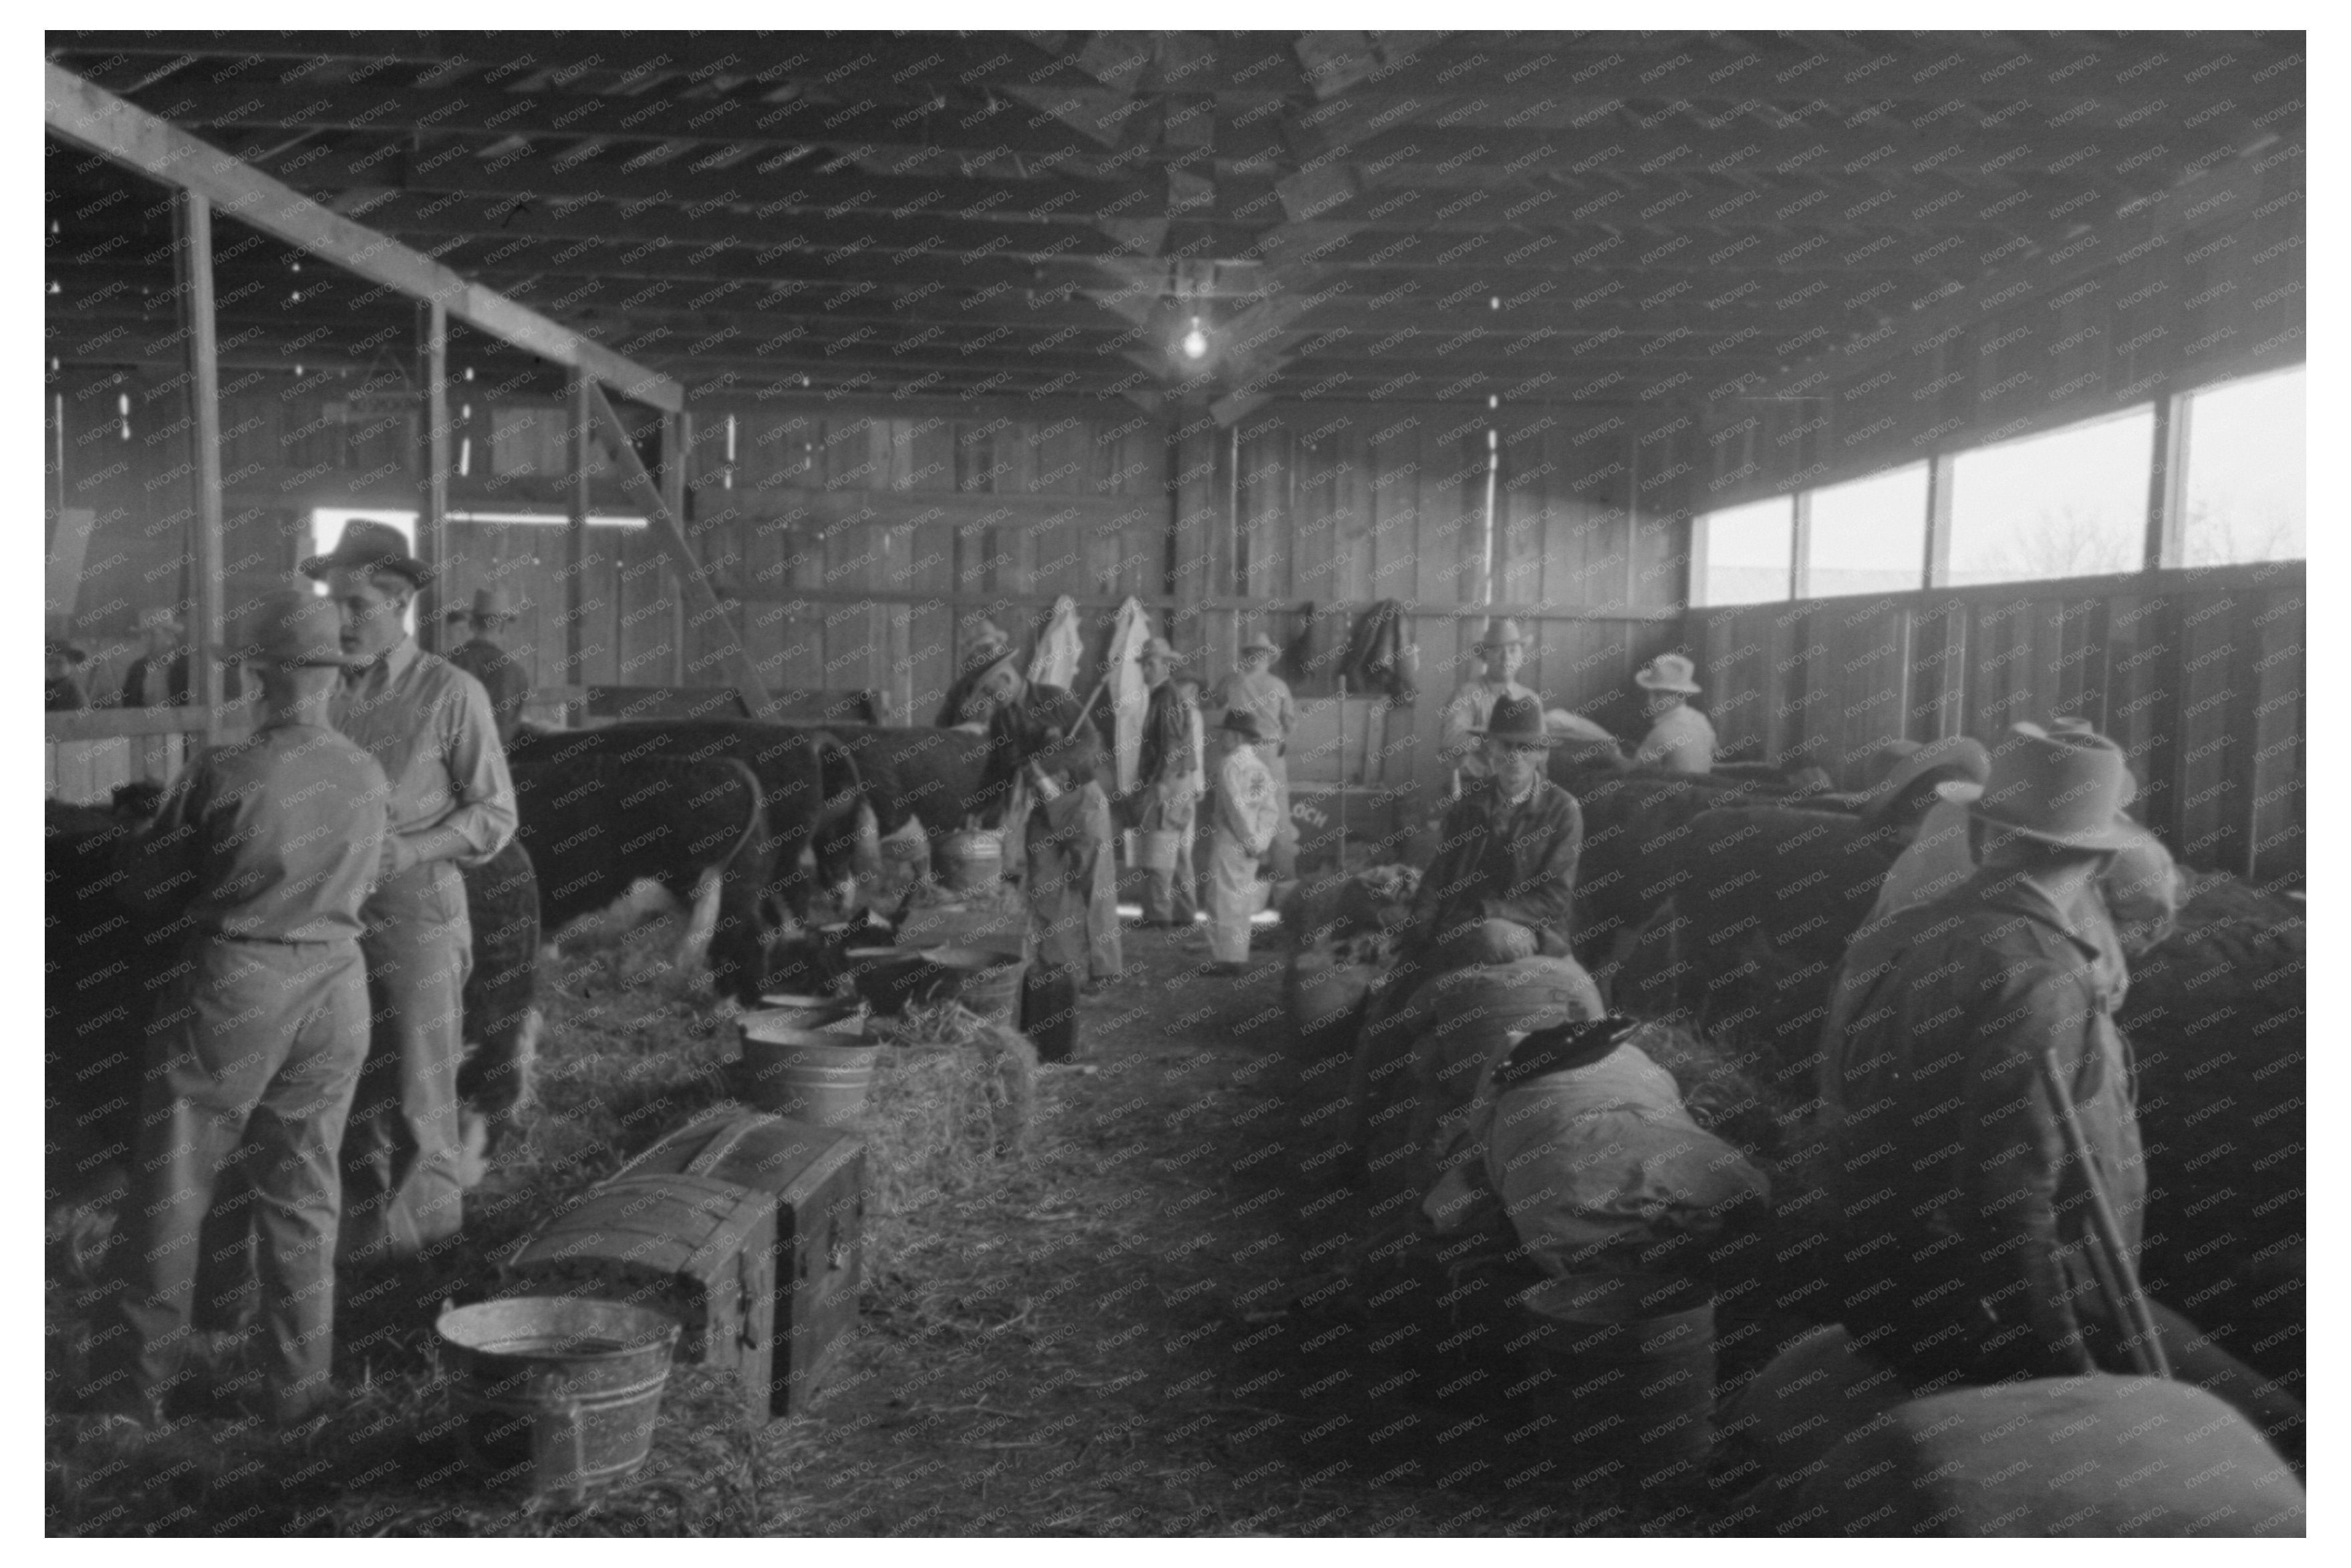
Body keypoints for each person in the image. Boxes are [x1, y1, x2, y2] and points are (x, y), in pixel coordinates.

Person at [1816, 722, 2301, 1463]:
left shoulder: (1908, 933)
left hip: (1888, 1273)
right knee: (2275, 1426)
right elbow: (2017, 1196)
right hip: (2003, 1305)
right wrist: (2065, 1360)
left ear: (1982, 828)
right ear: (2101, 854)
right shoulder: (2039, 975)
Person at [81, 590, 391, 1430]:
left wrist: (132, 844)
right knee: (302, 1190)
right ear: (333, 676)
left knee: (174, 1185)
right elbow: (379, 873)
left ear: (258, 672)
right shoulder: (365, 772)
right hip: (338, 985)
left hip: (239, 984)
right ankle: (297, 1390)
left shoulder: (226, 769)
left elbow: (149, 887)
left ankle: (134, 1398)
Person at [308, 518, 517, 1267]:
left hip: (414, 916)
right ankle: (355, 1262)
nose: (340, 621)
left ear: (398, 600)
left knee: (417, 1099)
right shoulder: (318, 689)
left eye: (357, 605)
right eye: (332, 603)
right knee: (338, 1093)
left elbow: (494, 814)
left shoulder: (449, 691)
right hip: (326, 918)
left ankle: (422, 1272)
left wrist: (411, 848)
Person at [1403, 691, 1582, 972]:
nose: (1514, 757)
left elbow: (1554, 899)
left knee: (1491, 939)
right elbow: (1439, 874)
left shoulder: (1563, 810)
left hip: (1528, 928)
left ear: (1541, 753)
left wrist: (1486, 912)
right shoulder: (1471, 802)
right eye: (1505, 746)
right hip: (1461, 919)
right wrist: (1421, 924)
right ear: (1489, 749)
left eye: (1525, 748)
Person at [978, 651, 1117, 986]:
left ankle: (1105, 969)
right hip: (1040, 809)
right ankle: (1059, 968)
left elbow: (1090, 742)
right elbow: (998, 770)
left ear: (1008, 680)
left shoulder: (1054, 698)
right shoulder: (1001, 720)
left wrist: (1044, 764)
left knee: (1096, 885)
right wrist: (979, 810)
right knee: (1046, 887)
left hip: (1081, 799)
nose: (989, 699)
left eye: (991, 691)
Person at [1208, 631, 1299, 888]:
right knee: (1275, 814)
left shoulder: (1231, 681)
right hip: (1269, 754)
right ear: (1269, 659)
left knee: (1232, 810)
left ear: (1247, 656)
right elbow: (1290, 725)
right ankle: (1284, 882)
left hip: (1237, 752)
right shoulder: (1279, 686)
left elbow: (1215, 703)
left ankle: (1233, 880)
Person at [1205, 709, 1282, 976]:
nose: (1221, 739)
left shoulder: (1229, 765)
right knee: (1241, 899)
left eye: (1225, 734)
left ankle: (1228, 960)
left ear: (1236, 736)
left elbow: (1235, 808)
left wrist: (1248, 840)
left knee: (1223, 899)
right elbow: (1270, 810)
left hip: (1231, 840)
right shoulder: (1260, 768)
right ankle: (1237, 955)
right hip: (1253, 844)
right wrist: (1259, 842)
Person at [1131, 638, 1199, 929]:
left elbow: (1171, 745)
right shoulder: (1167, 695)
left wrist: (1160, 781)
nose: (1145, 670)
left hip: (1169, 781)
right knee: (1179, 850)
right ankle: (1185, 912)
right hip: (1181, 782)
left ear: (1166, 666)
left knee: (1159, 847)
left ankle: (1158, 916)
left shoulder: (1165, 697)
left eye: (1151, 664)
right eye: (1144, 664)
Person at [1437, 617, 1538, 789]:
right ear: (1485, 656)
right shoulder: (1467, 694)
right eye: (1498, 651)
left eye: (1513, 650)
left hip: (1520, 786)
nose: (1506, 658)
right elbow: (1449, 738)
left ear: (1521, 655)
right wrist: (1490, 739)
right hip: (1477, 786)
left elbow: (1540, 749)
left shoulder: (1529, 698)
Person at [442, 587, 533, 746]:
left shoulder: (444, 663)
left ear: (471, 625)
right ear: (502, 627)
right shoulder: (514, 671)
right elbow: (505, 732)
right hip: (492, 762)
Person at [1631, 653, 1715, 774]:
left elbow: (1633, 771)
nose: (1649, 702)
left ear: (1679, 696)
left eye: (1658, 695)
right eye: (1649, 694)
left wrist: (1614, 756)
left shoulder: (1662, 732)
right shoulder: (1701, 720)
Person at [934, 617, 1012, 728]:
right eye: (984, 648)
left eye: (995, 645)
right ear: (972, 652)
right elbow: (941, 727)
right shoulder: (960, 688)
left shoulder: (1006, 681)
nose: (992, 652)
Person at [120, 607, 192, 708]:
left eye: (153, 634)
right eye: (144, 635)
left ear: (170, 637)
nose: (148, 640)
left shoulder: (188, 668)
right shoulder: (136, 670)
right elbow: (128, 709)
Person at [46, 637, 90, 710]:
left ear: (70, 664)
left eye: (58, 662)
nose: (53, 667)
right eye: (50, 662)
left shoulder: (73, 692)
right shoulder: (47, 686)